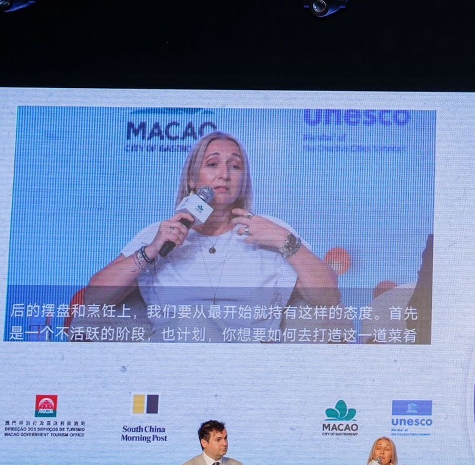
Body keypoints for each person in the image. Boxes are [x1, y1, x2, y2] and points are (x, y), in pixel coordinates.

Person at [85, 131, 339, 341]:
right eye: (212, 164)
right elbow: (93, 299)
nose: (224, 175)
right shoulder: (161, 233)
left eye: (235, 166)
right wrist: (151, 250)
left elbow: (329, 297)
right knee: (191, 321)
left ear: (243, 180)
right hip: (175, 363)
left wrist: (284, 240)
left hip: (250, 365)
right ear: (192, 179)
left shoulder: (269, 230)